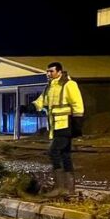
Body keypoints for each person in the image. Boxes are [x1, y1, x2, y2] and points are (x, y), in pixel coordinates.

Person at [23, 61, 84, 198]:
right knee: (65, 155)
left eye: (51, 71)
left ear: (59, 72)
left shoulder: (69, 85)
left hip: (66, 125)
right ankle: (68, 189)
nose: (48, 74)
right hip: (55, 126)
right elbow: (41, 101)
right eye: (47, 71)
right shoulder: (49, 87)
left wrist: (77, 124)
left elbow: (77, 104)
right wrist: (30, 107)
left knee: (53, 151)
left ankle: (61, 187)